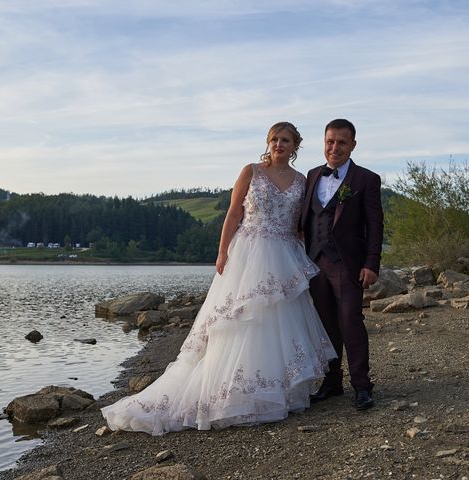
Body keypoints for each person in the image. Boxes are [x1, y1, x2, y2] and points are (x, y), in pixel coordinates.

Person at [101, 122, 336, 434]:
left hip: (285, 254)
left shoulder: (302, 180)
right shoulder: (251, 171)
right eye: (274, 139)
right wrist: (222, 252)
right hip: (249, 253)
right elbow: (233, 214)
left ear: (295, 146)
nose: (279, 144)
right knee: (241, 320)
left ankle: (275, 392)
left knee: (278, 321)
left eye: (286, 140)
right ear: (267, 143)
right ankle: (230, 396)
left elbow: (300, 224)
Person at [300, 119, 383, 410]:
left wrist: (371, 264)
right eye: (330, 142)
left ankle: (362, 386)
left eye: (341, 143)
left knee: (351, 322)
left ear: (353, 145)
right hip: (314, 262)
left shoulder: (366, 179)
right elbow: (305, 221)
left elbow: (375, 227)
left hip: (348, 264)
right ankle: (332, 382)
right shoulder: (311, 176)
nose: (334, 148)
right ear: (324, 142)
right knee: (324, 325)